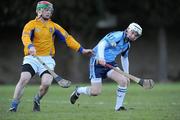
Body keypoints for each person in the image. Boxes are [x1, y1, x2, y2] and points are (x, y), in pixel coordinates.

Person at [9, 1, 93, 112]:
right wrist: (30, 46)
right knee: (24, 79)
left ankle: (37, 99)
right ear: (39, 11)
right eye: (46, 10)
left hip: (47, 59)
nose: (49, 13)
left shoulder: (54, 26)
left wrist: (82, 50)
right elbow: (25, 37)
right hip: (32, 58)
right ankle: (14, 106)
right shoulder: (31, 25)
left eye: (50, 10)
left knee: (46, 84)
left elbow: (68, 38)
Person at [70, 22, 142, 111]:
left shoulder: (127, 45)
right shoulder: (117, 36)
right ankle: (79, 90)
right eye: (132, 32)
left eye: (136, 35)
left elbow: (124, 58)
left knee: (123, 81)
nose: (133, 36)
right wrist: (101, 57)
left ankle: (118, 107)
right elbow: (102, 44)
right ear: (127, 30)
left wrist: (126, 74)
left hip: (110, 64)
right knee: (95, 92)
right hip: (97, 62)